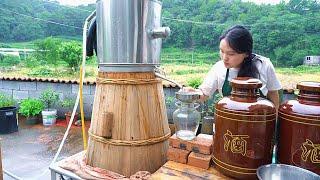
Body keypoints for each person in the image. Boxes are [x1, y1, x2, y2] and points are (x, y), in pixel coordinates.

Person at [187, 25, 281, 109]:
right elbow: (204, 94)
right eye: (222, 51)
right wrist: (193, 93)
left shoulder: (264, 65)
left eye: (231, 54)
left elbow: (273, 94)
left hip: (259, 122)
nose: (224, 58)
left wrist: (275, 122)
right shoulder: (219, 68)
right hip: (231, 120)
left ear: (246, 53)